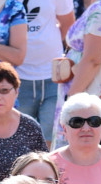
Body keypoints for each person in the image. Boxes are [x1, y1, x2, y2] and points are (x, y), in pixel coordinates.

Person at [53, 0, 101, 146]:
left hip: (84, 94)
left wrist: (71, 99)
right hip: (91, 91)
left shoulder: (100, 9)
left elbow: (93, 59)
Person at [15, 0, 75, 143]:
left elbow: (68, 25)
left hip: (53, 76)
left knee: (51, 137)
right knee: (19, 138)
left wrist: (48, 43)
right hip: (18, 77)